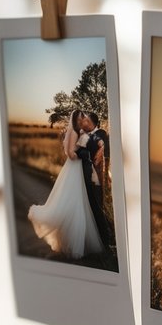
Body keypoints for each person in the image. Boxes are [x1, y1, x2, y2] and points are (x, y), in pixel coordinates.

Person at [28, 108, 104, 259]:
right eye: (82, 118)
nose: (84, 120)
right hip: (73, 168)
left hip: (75, 170)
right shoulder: (74, 133)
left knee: (76, 201)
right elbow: (69, 153)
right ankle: (72, 242)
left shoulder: (77, 131)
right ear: (77, 119)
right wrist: (83, 154)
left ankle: (68, 240)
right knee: (74, 201)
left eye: (85, 118)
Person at [76, 111, 112, 248]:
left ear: (93, 123)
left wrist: (101, 147)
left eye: (86, 121)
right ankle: (92, 238)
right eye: (83, 121)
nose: (84, 123)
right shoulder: (83, 135)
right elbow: (78, 151)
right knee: (89, 206)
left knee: (97, 207)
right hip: (86, 175)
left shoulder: (101, 133)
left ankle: (106, 241)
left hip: (97, 177)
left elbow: (101, 142)